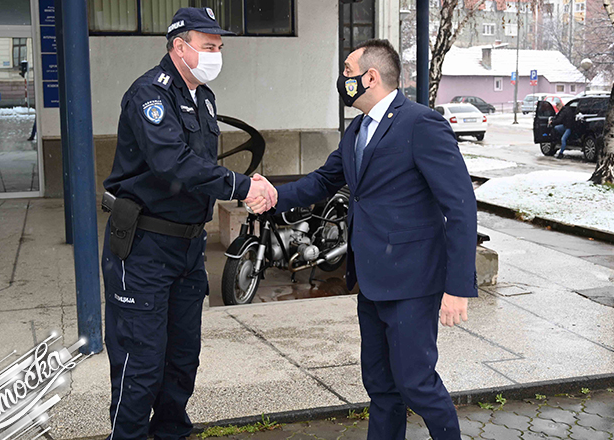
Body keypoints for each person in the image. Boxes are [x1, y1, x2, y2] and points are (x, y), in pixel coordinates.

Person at [248, 39, 477, 440]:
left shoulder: (421, 124)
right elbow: (323, 180)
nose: (342, 79)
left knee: (416, 383)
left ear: (370, 77)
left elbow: (460, 206)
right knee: (381, 386)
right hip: (371, 281)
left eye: (347, 72)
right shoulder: (357, 129)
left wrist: (458, 286)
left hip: (413, 281)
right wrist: (273, 195)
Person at [101, 7, 276, 440]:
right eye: (208, 46)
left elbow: (201, 167)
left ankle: (172, 433)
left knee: (181, 360)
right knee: (141, 363)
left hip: (187, 248)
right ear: (179, 47)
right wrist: (242, 185)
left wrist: (243, 185)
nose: (216, 54)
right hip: (144, 246)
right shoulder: (150, 95)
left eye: (219, 47)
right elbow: (173, 163)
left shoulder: (204, 98)